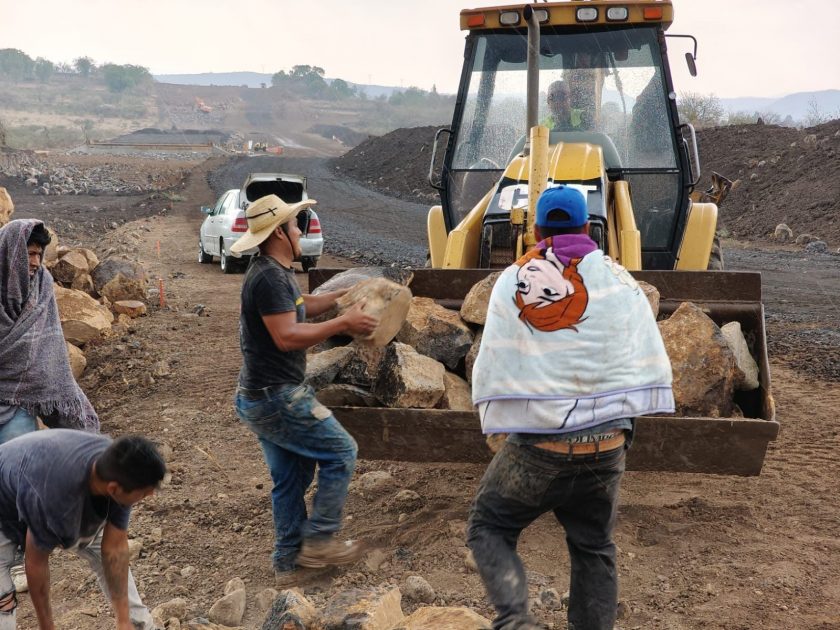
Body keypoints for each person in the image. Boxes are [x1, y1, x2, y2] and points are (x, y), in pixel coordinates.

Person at [466, 185, 675, 630]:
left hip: (542, 448)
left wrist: (501, 415)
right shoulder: (621, 280)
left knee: (490, 526)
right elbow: (639, 352)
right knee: (593, 545)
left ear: (537, 230)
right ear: (588, 228)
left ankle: (515, 619)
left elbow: (496, 356)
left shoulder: (516, 278)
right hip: (608, 444)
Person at [230, 194, 379, 582]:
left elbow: (301, 305)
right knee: (341, 452)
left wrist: (341, 297)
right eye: (295, 225)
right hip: (277, 397)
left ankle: (288, 563)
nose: (300, 230)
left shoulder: (275, 272)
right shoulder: (268, 277)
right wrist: (343, 323)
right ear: (279, 232)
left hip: (259, 395)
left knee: (291, 479)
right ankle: (319, 542)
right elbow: (287, 336)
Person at [0, 430, 166, 630]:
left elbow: (114, 549)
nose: (150, 496)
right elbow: (36, 562)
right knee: (2, 598)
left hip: (35, 483)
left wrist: (123, 620)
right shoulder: (56, 499)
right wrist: (47, 626)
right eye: (144, 493)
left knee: (111, 558)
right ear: (113, 489)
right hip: (8, 499)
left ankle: (137, 625)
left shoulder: (122, 466)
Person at [0, 219, 99, 440]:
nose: (36, 262)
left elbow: (47, 353)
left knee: (19, 445)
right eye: (29, 254)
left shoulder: (41, 284)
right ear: (11, 254)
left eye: (39, 254)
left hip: (18, 402)